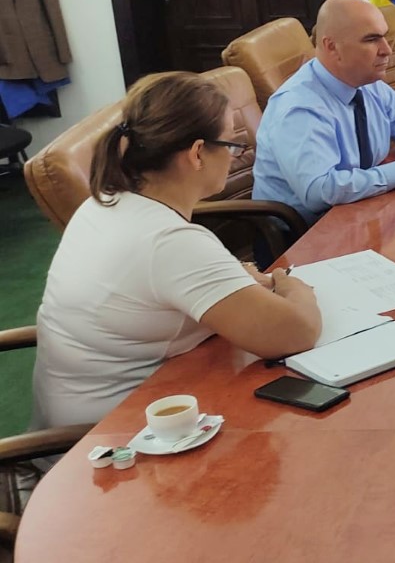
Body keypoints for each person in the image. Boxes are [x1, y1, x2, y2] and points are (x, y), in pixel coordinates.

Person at [30, 72, 322, 435]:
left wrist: (234, 281)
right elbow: (297, 333)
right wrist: (292, 286)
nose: (237, 155)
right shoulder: (169, 241)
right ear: (197, 153)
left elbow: (162, 285)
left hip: (90, 416)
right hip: (115, 440)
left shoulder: (106, 202)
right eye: (232, 144)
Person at [253, 0, 395, 224]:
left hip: (362, 211)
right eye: (371, 39)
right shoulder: (299, 107)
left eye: (385, 36)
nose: (387, 50)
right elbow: (319, 192)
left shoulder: (366, 83)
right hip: (309, 232)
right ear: (332, 47)